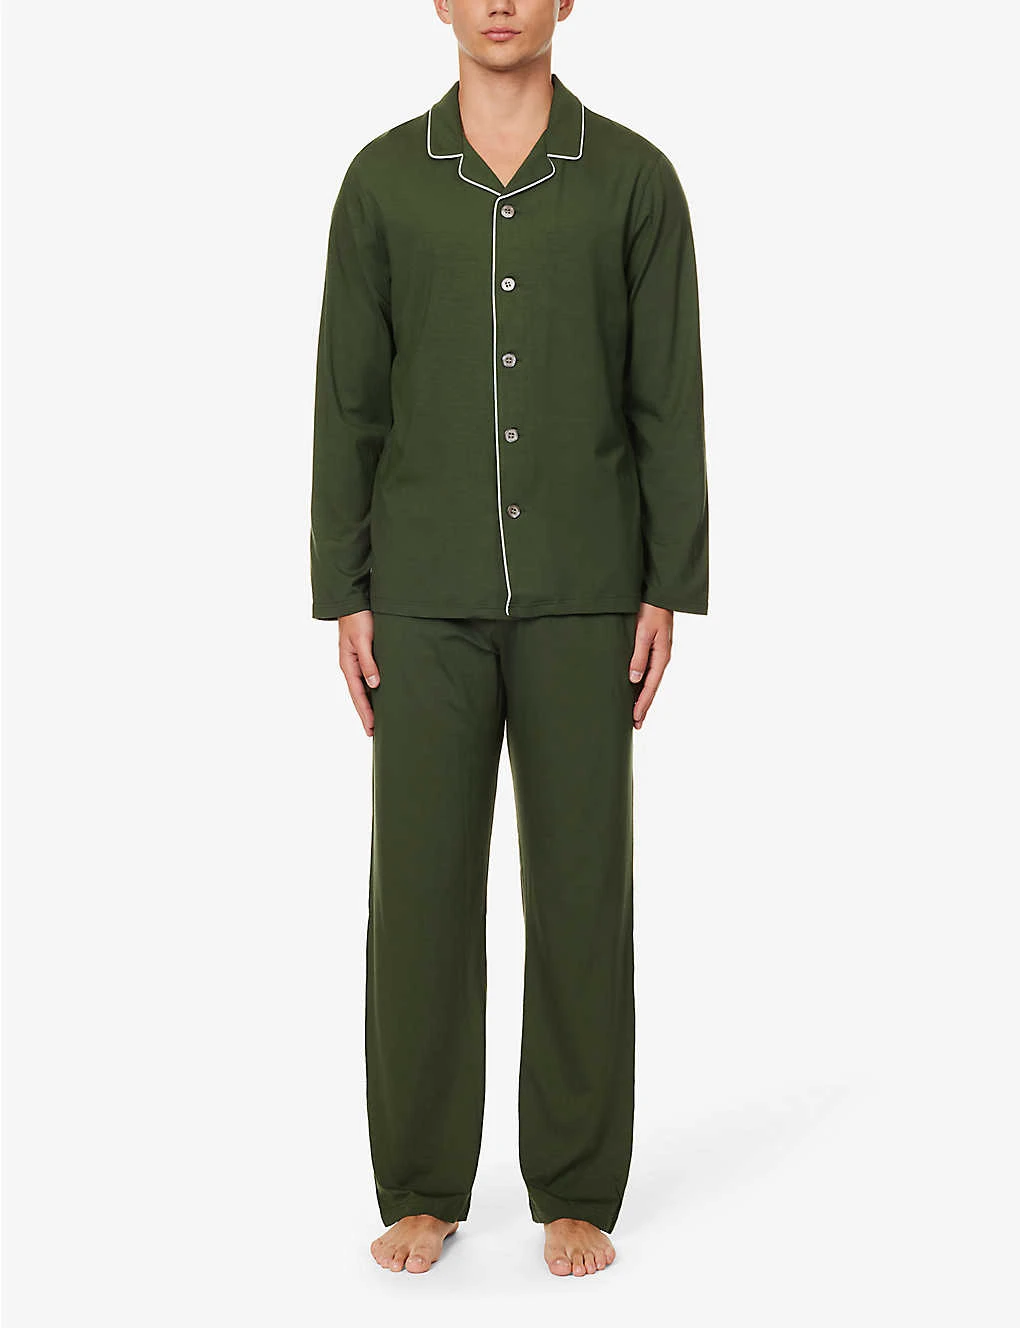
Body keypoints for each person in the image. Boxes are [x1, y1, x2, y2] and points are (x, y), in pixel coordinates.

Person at [309, 0, 708, 1279]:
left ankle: (577, 1184)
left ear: (565, 1)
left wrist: (666, 583)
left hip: (589, 590)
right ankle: (423, 1183)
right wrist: (344, 590)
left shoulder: (633, 180)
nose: (498, 2)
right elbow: (348, 399)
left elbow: (667, 395)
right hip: (420, 594)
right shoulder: (382, 182)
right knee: (419, 891)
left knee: (583, 890)